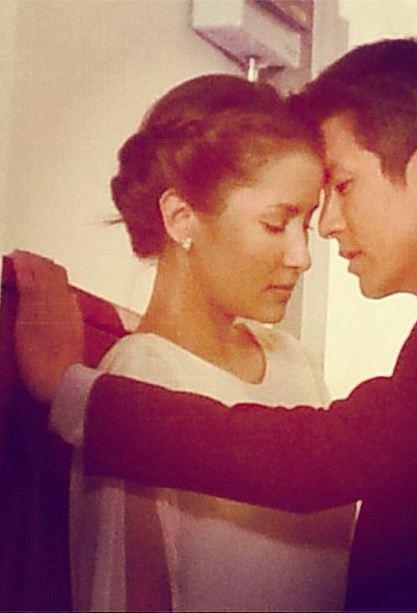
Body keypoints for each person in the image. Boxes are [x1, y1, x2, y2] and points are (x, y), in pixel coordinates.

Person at [12, 39, 417, 611]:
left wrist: (74, 393)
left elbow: (338, 452)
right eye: (281, 220)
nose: (326, 229)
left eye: (343, 187)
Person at [21, 75, 357, 612]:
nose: (302, 257)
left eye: (307, 226)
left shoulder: (295, 362)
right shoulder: (139, 376)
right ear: (181, 218)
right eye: (277, 224)